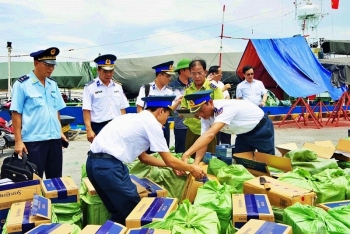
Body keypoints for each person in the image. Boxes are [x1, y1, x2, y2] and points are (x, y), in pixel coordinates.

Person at [86, 95, 206, 225]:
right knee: (135, 213)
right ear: (161, 111)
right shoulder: (152, 124)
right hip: (109, 167)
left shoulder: (132, 118)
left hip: (93, 164)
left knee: (118, 212)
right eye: (168, 114)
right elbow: (169, 159)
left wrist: (173, 166)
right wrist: (191, 168)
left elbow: (144, 158)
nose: (167, 119)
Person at [10, 47, 67, 179]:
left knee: (56, 179)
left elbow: (56, 110)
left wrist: (60, 132)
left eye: (53, 65)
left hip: (54, 140)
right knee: (34, 180)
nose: (51, 68)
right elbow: (16, 113)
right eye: (47, 65)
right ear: (36, 63)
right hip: (34, 142)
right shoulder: (22, 84)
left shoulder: (53, 84)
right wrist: (18, 141)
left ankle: (54, 201)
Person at [181, 90, 275, 165]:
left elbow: (210, 134)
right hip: (243, 133)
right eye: (197, 113)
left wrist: (187, 154)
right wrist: (196, 163)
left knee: (268, 162)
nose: (200, 115)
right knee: (242, 162)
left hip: (261, 129)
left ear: (210, 102)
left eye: (201, 110)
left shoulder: (224, 108)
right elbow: (203, 141)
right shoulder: (206, 116)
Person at [181, 59, 224, 157]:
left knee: (208, 160)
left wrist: (206, 113)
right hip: (192, 131)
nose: (197, 76)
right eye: (193, 73)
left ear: (205, 72)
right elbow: (182, 111)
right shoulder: (188, 90)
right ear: (190, 74)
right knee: (190, 159)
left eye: (200, 73)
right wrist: (194, 113)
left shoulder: (213, 89)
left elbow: (221, 110)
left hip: (209, 132)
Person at [83, 54, 129, 142]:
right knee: (101, 154)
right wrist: (89, 129)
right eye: (105, 71)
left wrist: (124, 125)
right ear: (98, 70)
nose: (108, 74)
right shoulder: (90, 87)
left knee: (117, 152)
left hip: (116, 125)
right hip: (99, 127)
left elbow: (122, 108)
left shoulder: (118, 87)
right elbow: (86, 110)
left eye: (111, 71)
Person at [136, 61, 182, 147]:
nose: (170, 78)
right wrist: (144, 124)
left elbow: (170, 109)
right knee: (148, 151)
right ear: (159, 75)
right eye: (167, 76)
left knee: (163, 149)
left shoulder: (169, 91)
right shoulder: (146, 88)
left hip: (164, 125)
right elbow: (139, 108)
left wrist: (178, 101)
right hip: (148, 125)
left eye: (170, 76)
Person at [168, 58, 192, 153]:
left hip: (194, 123)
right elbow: (178, 103)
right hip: (180, 124)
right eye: (189, 69)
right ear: (182, 70)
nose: (192, 71)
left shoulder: (194, 84)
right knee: (181, 150)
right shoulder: (172, 86)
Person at [207, 65, 232, 145]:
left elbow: (227, 95)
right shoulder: (210, 84)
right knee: (216, 134)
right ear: (214, 74)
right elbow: (213, 96)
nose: (222, 75)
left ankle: (226, 151)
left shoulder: (221, 83)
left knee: (226, 134)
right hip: (216, 112)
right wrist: (224, 88)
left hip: (225, 110)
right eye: (220, 73)